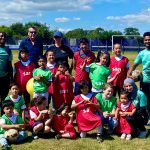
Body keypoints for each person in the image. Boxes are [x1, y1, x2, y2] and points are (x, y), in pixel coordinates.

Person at [127, 32, 150, 122]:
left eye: (149, 39)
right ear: (144, 41)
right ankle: (147, 117)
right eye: (146, 40)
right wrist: (129, 74)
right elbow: (134, 65)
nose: (148, 41)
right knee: (145, 99)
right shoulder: (142, 53)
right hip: (145, 80)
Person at [0, 32, 13, 112]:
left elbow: (9, 65)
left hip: (4, 78)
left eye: (4, 36)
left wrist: (11, 79)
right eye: (1, 36)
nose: (3, 37)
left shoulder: (8, 50)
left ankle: (2, 116)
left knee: (3, 98)